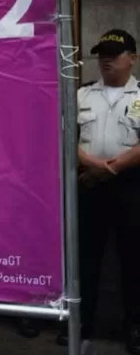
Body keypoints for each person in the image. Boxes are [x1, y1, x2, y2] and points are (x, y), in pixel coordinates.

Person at [72, 29, 140, 355]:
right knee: (87, 258)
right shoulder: (82, 95)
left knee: (133, 260)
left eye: (114, 54)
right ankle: (82, 323)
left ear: (133, 58)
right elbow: (64, 136)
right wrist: (91, 164)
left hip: (130, 187)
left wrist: (111, 168)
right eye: (102, 54)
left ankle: (134, 327)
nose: (106, 60)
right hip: (89, 186)